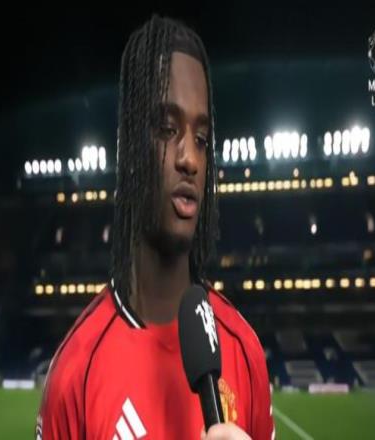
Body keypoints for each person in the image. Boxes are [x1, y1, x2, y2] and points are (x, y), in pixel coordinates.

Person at [37, 15, 274, 440]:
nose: (190, 159)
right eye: (168, 129)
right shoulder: (75, 374)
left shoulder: (244, 349)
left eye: (202, 139)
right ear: (130, 148)